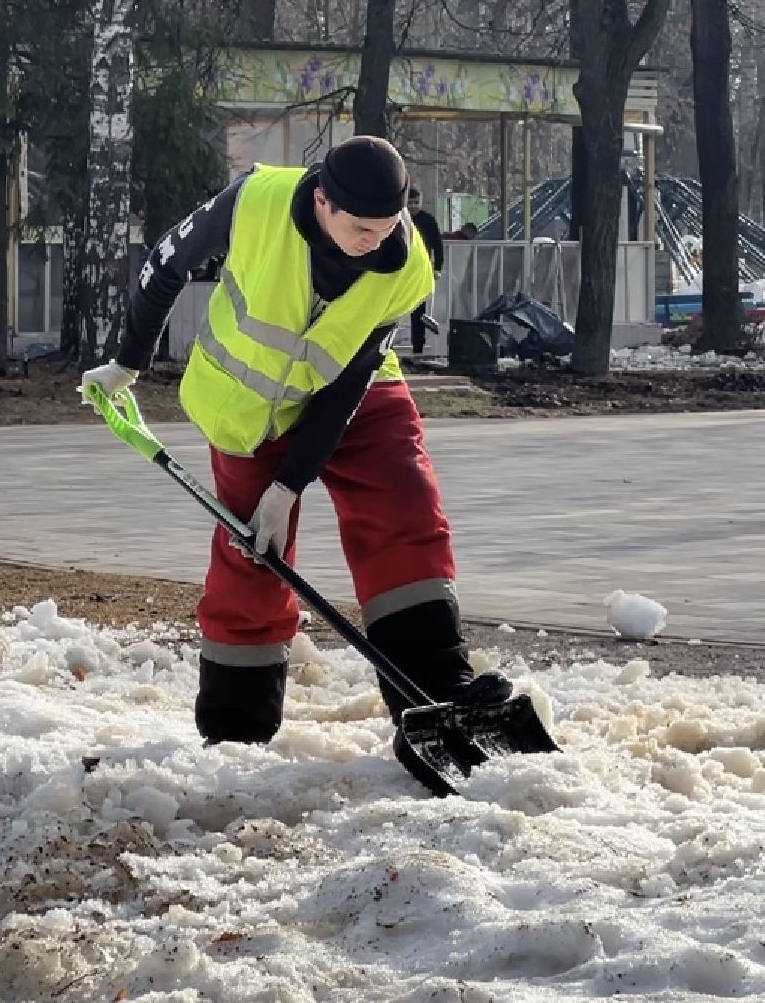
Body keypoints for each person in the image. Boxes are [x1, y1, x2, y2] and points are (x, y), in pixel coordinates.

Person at [80, 135, 485, 780]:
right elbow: (166, 262)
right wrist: (127, 361)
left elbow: (350, 380)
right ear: (323, 199)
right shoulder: (256, 199)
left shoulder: (406, 264)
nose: (375, 242)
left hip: (352, 391)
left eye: (388, 228)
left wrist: (290, 485)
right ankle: (237, 727)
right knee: (251, 561)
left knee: (404, 501)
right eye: (360, 228)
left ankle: (436, 691)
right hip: (247, 402)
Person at [405, 187, 444, 355]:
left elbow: (438, 246)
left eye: (416, 203)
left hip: (420, 272)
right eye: (410, 203)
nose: (413, 206)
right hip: (400, 271)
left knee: (419, 311)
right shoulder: (398, 220)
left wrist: (437, 268)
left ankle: (418, 347)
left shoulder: (428, 221)